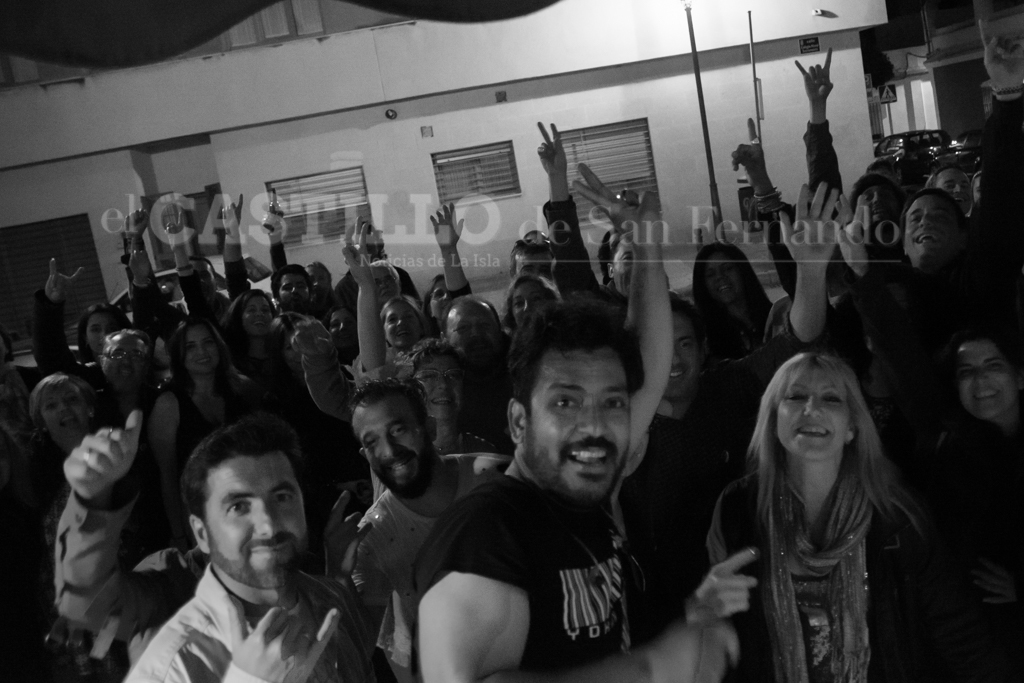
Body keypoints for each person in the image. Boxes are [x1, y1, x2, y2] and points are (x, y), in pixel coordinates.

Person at [414, 191, 731, 682]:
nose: (594, 425)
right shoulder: (487, 534)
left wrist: (646, 245)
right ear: (518, 422)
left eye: (612, 403)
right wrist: (655, 666)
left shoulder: (582, 496)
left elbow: (648, 363)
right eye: (566, 402)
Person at [706, 352, 1016, 682]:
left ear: (852, 427)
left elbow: (960, 634)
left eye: (831, 398)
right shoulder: (738, 507)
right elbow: (717, 634)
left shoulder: (896, 517)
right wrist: (704, 614)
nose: (812, 408)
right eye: (795, 396)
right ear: (772, 418)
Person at [620, 183, 835, 640]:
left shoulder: (728, 386)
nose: (673, 358)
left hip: (758, 586)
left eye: (684, 344)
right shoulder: (627, 424)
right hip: (667, 612)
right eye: (662, 345)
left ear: (703, 350)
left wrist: (812, 270)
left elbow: (797, 341)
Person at [64, 412, 377, 682]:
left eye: (282, 497)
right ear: (201, 533)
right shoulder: (174, 659)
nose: (268, 525)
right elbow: (94, 605)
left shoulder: (331, 598)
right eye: (239, 507)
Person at [349, 379, 507, 681]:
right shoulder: (371, 537)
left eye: (398, 430)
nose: (389, 450)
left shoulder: (499, 480)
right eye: (372, 442)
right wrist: (337, 581)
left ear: (430, 428)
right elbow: (353, 651)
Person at [148, 318, 263, 550]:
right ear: (179, 355)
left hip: (252, 508)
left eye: (208, 342)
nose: (202, 351)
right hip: (203, 519)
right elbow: (168, 476)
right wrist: (179, 534)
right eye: (190, 346)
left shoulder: (243, 389)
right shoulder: (169, 403)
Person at [444, 296, 515, 455]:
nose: (476, 334)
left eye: (485, 325)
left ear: (499, 330)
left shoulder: (527, 375)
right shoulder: (438, 388)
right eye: (463, 328)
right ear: (444, 338)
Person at [405, 338, 495, 456]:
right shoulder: (403, 455)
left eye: (452, 375)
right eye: (429, 376)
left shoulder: (484, 453)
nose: (443, 384)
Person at [692, 242, 773, 361]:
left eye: (727, 269)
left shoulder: (775, 317)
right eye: (710, 274)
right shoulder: (705, 338)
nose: (720, 277)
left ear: (742, 270)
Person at [220, 289, 277, 389]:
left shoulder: (283, 356)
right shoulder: (228, 363)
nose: (259, 314)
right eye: (251, 310)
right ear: (239, 316)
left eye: (265, 310)